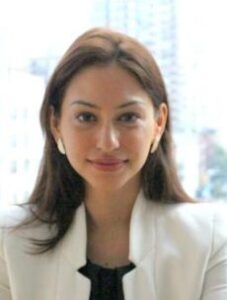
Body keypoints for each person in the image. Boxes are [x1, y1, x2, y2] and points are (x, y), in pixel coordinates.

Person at [0, 27, 227, 300]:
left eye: (128, 117)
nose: (108, 142)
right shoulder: (8, 242)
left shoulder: (213, 239)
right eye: (86, 117)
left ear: (158, 123)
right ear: (56, 123)